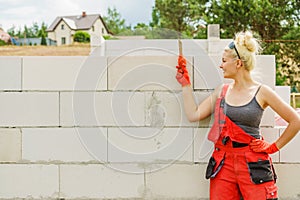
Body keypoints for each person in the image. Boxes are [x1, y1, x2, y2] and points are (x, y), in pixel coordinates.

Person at [175, 31, 300, 200]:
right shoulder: (222, 91)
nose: (221, 65)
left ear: (238, 63)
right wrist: (185, 84)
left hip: (253, 164)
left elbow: (295, 121)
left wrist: (272, 147)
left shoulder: (262, 92)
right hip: (223, 162)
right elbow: (193, 114)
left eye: (224, 61)